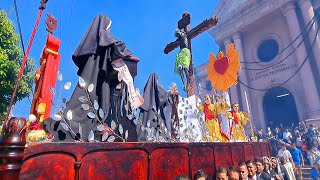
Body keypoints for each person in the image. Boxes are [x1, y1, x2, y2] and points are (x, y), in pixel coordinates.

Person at [43, 14, 141, 142]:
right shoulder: (103, 34)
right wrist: (127, 53)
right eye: (108, 26)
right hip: (97, 77)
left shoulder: (95, 40)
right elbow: (117, 46)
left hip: (94, 76)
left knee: (88, 100)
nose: (109, 30)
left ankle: (83, 125)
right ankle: (81, 127)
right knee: (93, 100)